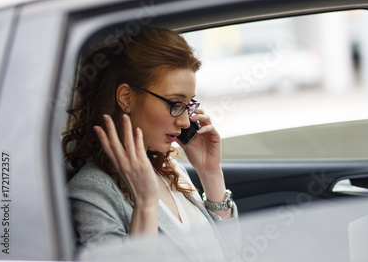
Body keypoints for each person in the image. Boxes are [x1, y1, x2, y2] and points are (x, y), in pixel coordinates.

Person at [63, 27, 239, 260]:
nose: (186, 122)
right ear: (127, 97)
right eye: (175, 103)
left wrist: (210, 173)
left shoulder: (170, 169)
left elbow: (230, 255)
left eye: (188, 105)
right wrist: (145, 205)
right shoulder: (93, 191)